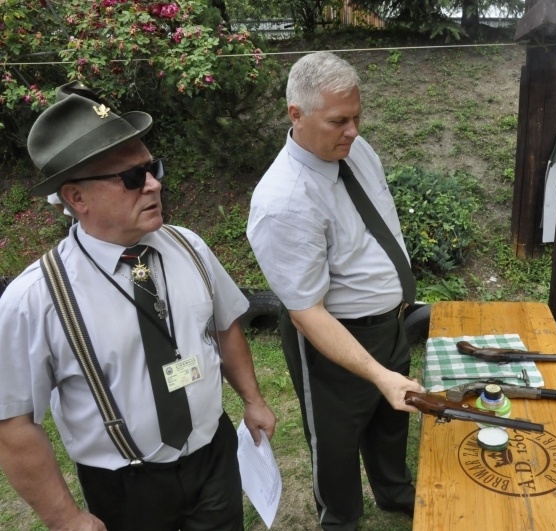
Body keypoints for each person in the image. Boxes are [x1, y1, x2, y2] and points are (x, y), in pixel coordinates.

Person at [0, 81, 277, 531]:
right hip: (125, 488)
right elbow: (12, 424)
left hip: (214, 457)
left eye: (153, 168)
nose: (153, 185)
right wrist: (65, 518)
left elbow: (226, 326)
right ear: (77, 198)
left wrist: (253, 398)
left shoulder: (188, 246)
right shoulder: (36, 299)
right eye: (131, 177)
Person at [246, 51, 425, 531]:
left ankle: (393, 492)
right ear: (296, 115)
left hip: (388, 323)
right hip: (332, 338)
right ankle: (340, 519)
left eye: (357, 117)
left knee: (391, 422)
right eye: (338, 121)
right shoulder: (284, 201)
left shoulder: (355, 151)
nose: (352, 130)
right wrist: (376, 373)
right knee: (336, 441)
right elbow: (308, 313)